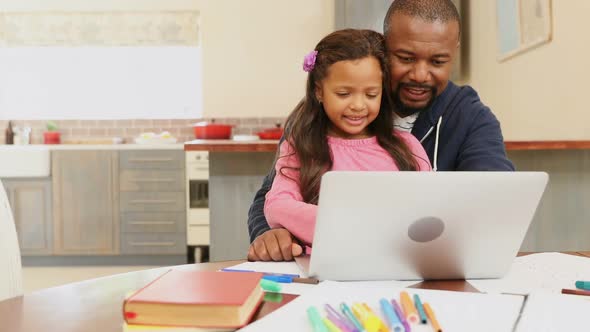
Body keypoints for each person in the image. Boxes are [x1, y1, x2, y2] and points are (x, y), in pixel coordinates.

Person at [247, 0, 514, 261]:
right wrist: (271, 235)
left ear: (453, 54)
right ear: (383, 52)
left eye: (438, 61)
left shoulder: (466, 118)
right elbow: (273, 197)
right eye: (406, 58)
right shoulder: (315, 121)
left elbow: (491, 202)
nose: (420, 74)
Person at [264, 29, 431, 249]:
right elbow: (278, 205)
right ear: (319, 91)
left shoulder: (407, 147)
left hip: (394, 271)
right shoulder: (302, 146)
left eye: (371, 94)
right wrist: (353, 223)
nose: (358, 105)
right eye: (344, 94)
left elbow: (431, 208)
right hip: (326, 272)